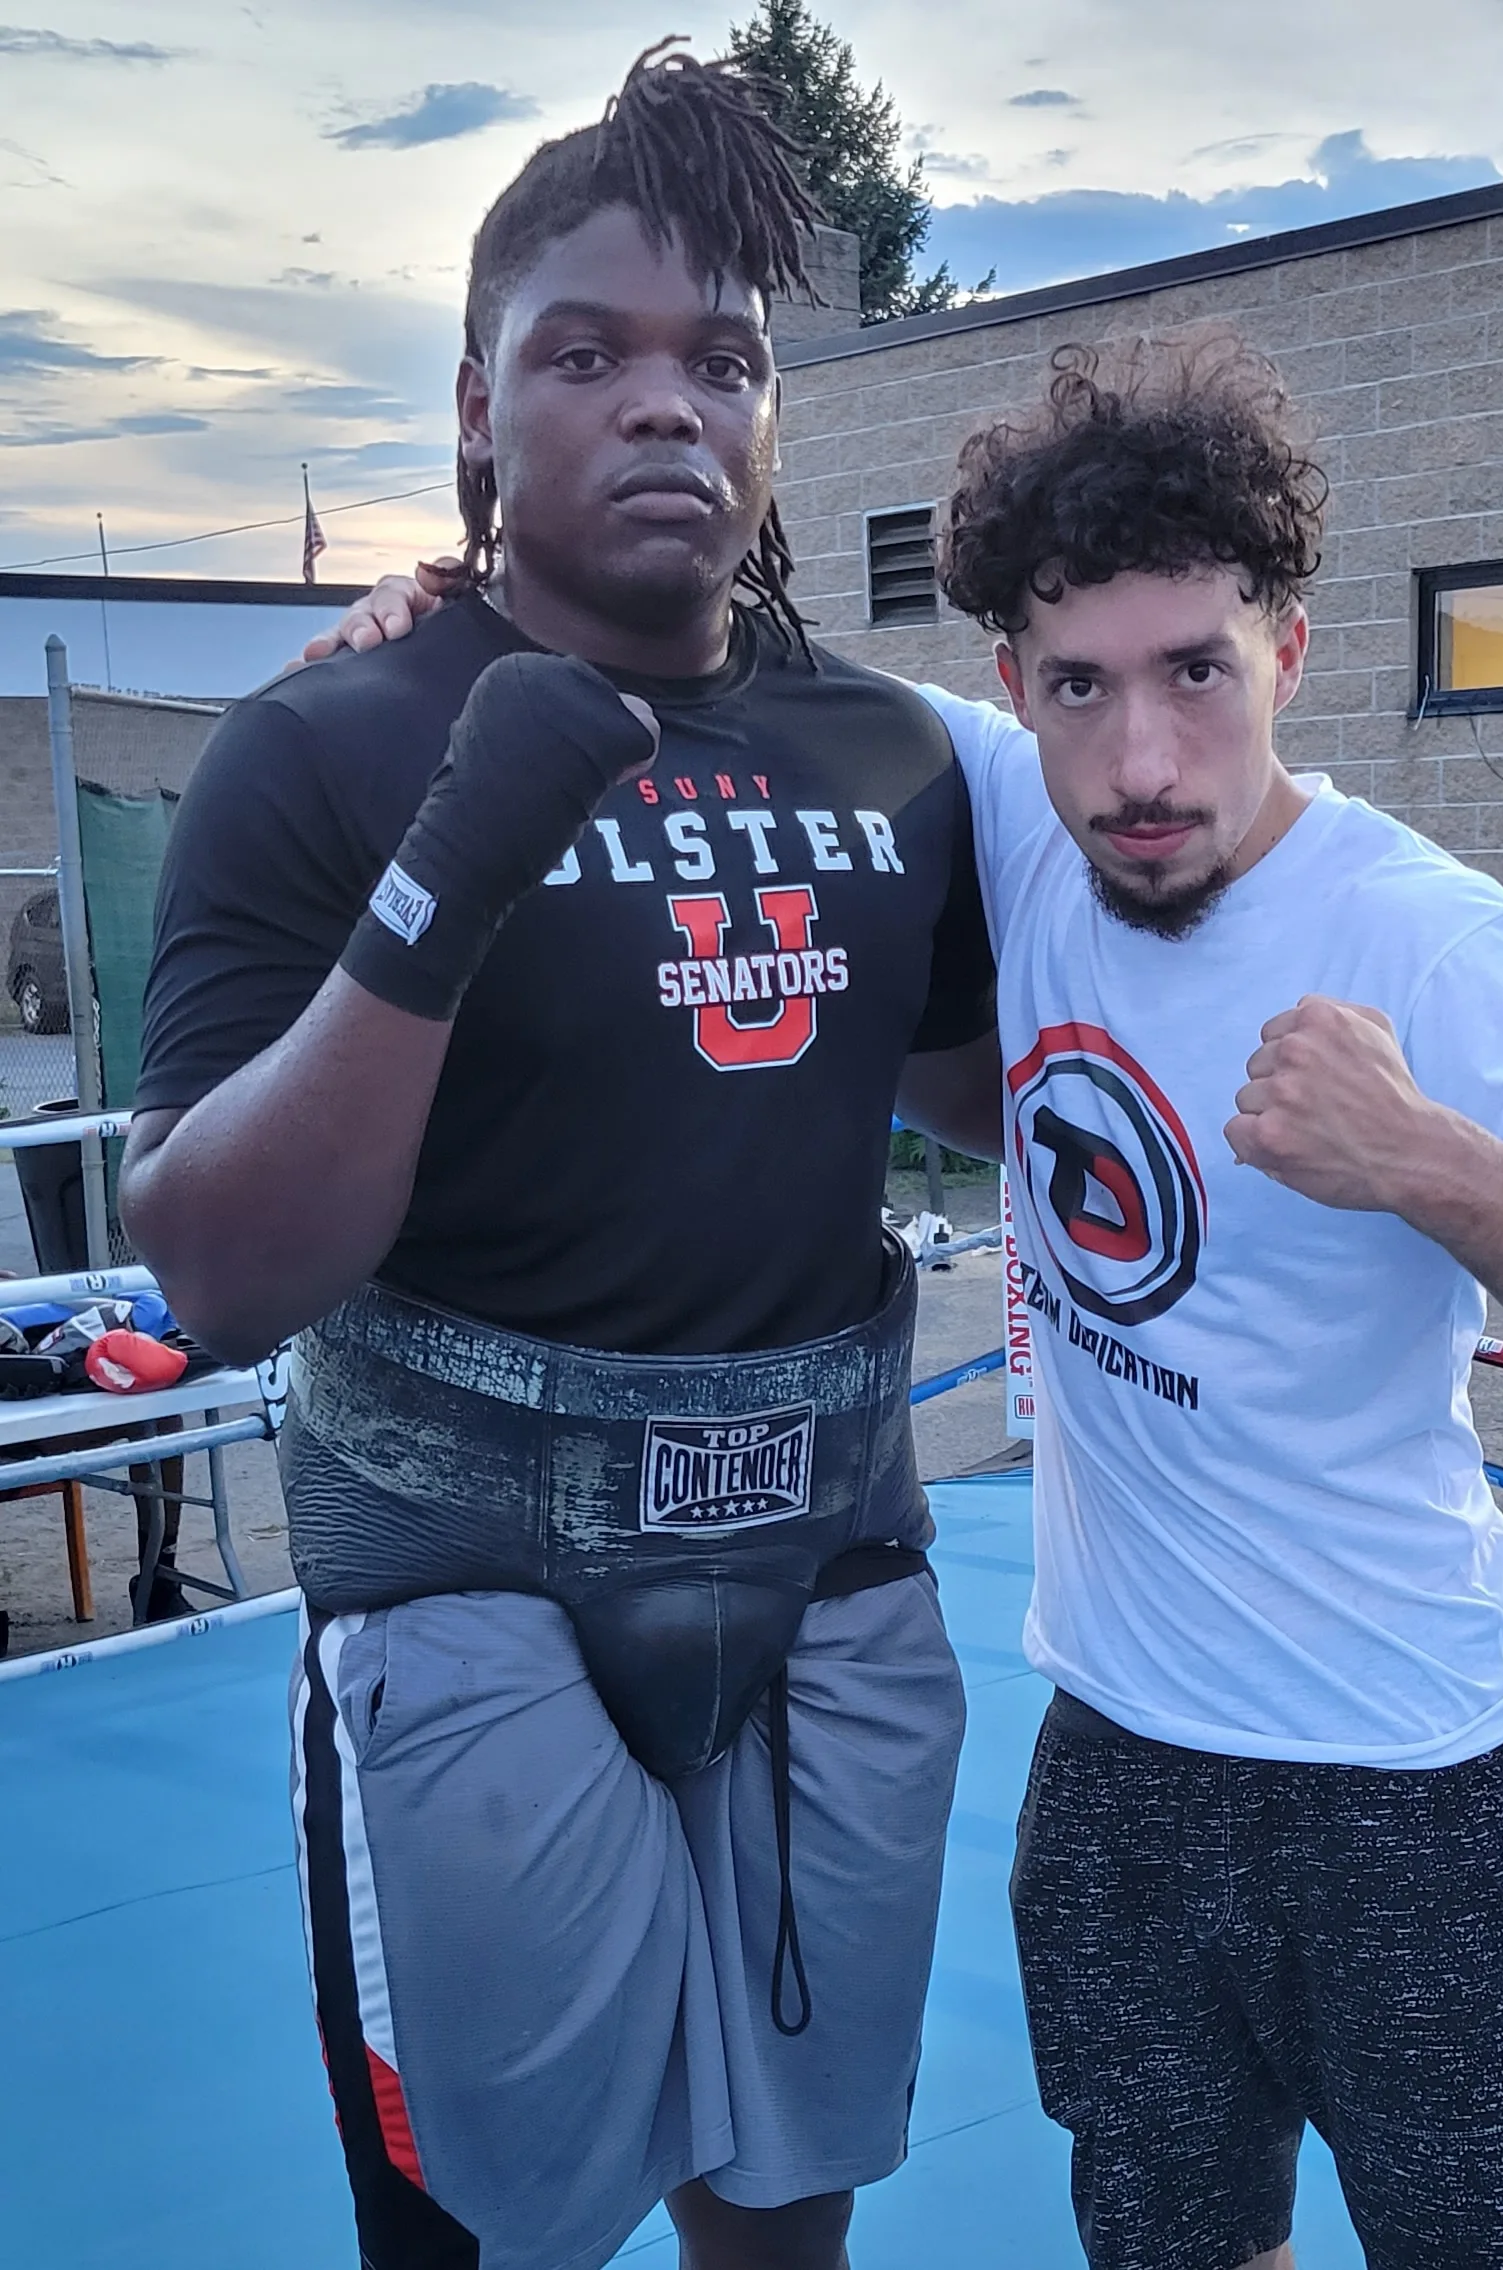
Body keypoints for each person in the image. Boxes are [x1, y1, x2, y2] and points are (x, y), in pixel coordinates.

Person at [331, 339, 1503, 2270]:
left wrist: (1435, 1159)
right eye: (1081, 685)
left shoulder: (1431, 943)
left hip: (1409, 1772)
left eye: (1199, 673)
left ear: (1292, 655)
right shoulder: (1012, 803)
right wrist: (455, 613)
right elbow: (706, 668)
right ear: (1015, 688)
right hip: (1120, 1756)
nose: (1143, 761)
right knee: (1168, 2245)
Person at [121, 46, 999, 2270]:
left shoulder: (891, 752)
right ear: (478, 403)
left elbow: (1004, 1094)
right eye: (585, 353)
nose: (664, 405)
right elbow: (217, 1271)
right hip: (464, 1579)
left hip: (822, 1558)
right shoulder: (324, 744)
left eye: (724, 360)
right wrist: (457, 861)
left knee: (788, 2208)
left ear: (773, 416)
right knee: (483, 2231)